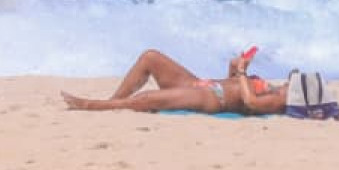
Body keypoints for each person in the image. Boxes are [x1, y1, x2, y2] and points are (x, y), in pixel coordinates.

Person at [61, 48, 287, 115]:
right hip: (202, 85)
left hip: (211, 98)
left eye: (293, 85)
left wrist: (242, 73)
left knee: (148, 99)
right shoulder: (276, 91)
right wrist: (235, 67)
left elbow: (250, 102)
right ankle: (113, 104)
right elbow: (235, 85)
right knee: (150, 57)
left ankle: (94, 106)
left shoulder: (278, 102)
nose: (289, 83)